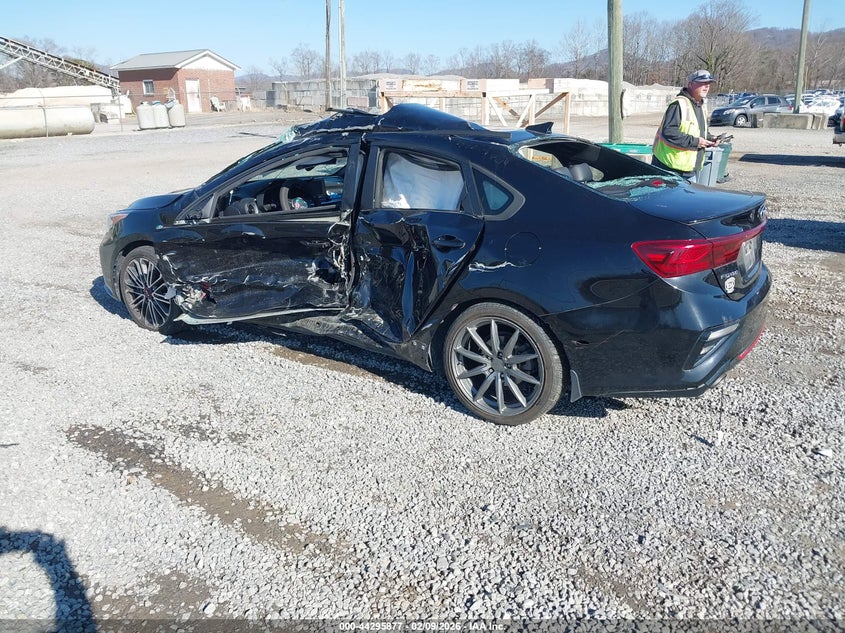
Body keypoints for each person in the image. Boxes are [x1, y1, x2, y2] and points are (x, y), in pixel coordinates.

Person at [652, 69, 721, 182]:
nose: (706, 86)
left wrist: (711, 138)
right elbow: (669, 132)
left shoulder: (701, 106)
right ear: (691, 84)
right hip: (670, 169)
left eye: (708, 83)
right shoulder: (679, 104)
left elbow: (699, 132)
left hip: (689, 170)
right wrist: (696, 142)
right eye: (702, 83)